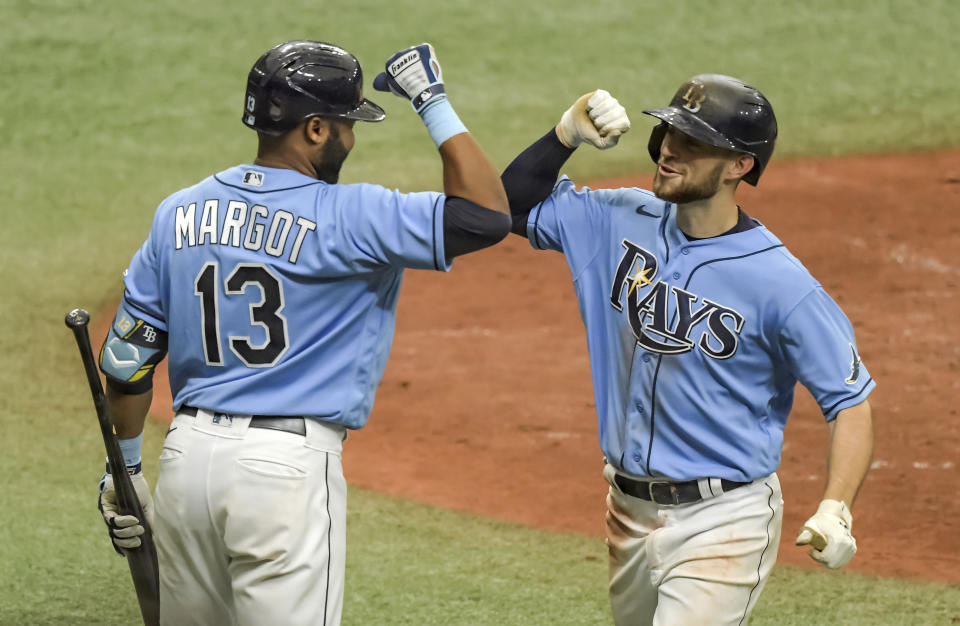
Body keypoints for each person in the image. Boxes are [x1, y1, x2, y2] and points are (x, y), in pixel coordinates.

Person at [95, 40, 510, 625]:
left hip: (186, 464)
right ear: (315, 129)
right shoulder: (354, 216)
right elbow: (485, 215)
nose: (351, 137)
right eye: (346, 124)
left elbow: (128, 360)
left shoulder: (178, 212)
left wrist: (127, 469)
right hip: (283, 473)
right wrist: (430, 98)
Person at [500, 76, 874, 625]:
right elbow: (498, 207)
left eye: (695, 142)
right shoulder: (615, 219)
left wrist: (836, 507)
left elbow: (851, 402)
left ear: (739, 166)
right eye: (670, 132)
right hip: (626, 511)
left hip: (726, 518)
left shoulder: (781, 284)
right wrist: (564, 135)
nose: (671, 149)